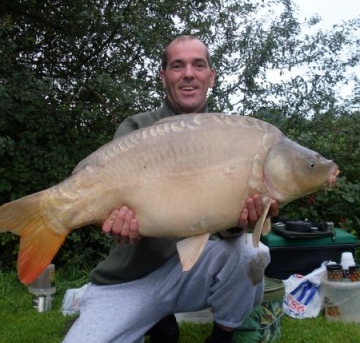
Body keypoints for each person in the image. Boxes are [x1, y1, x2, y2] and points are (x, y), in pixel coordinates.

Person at [63, 35, 279, 343]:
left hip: (192, 272)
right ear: (164, 77)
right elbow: (108, 208)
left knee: (251, 252)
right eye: (178, 66)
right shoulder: (137, 127)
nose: (188, 73)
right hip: (130, 277)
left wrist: (240, 221)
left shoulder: (234, 136)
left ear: (211, 76)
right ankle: (157, 321)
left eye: (198, 65)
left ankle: (222, 336)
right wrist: (114, 222)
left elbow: (224, 228)